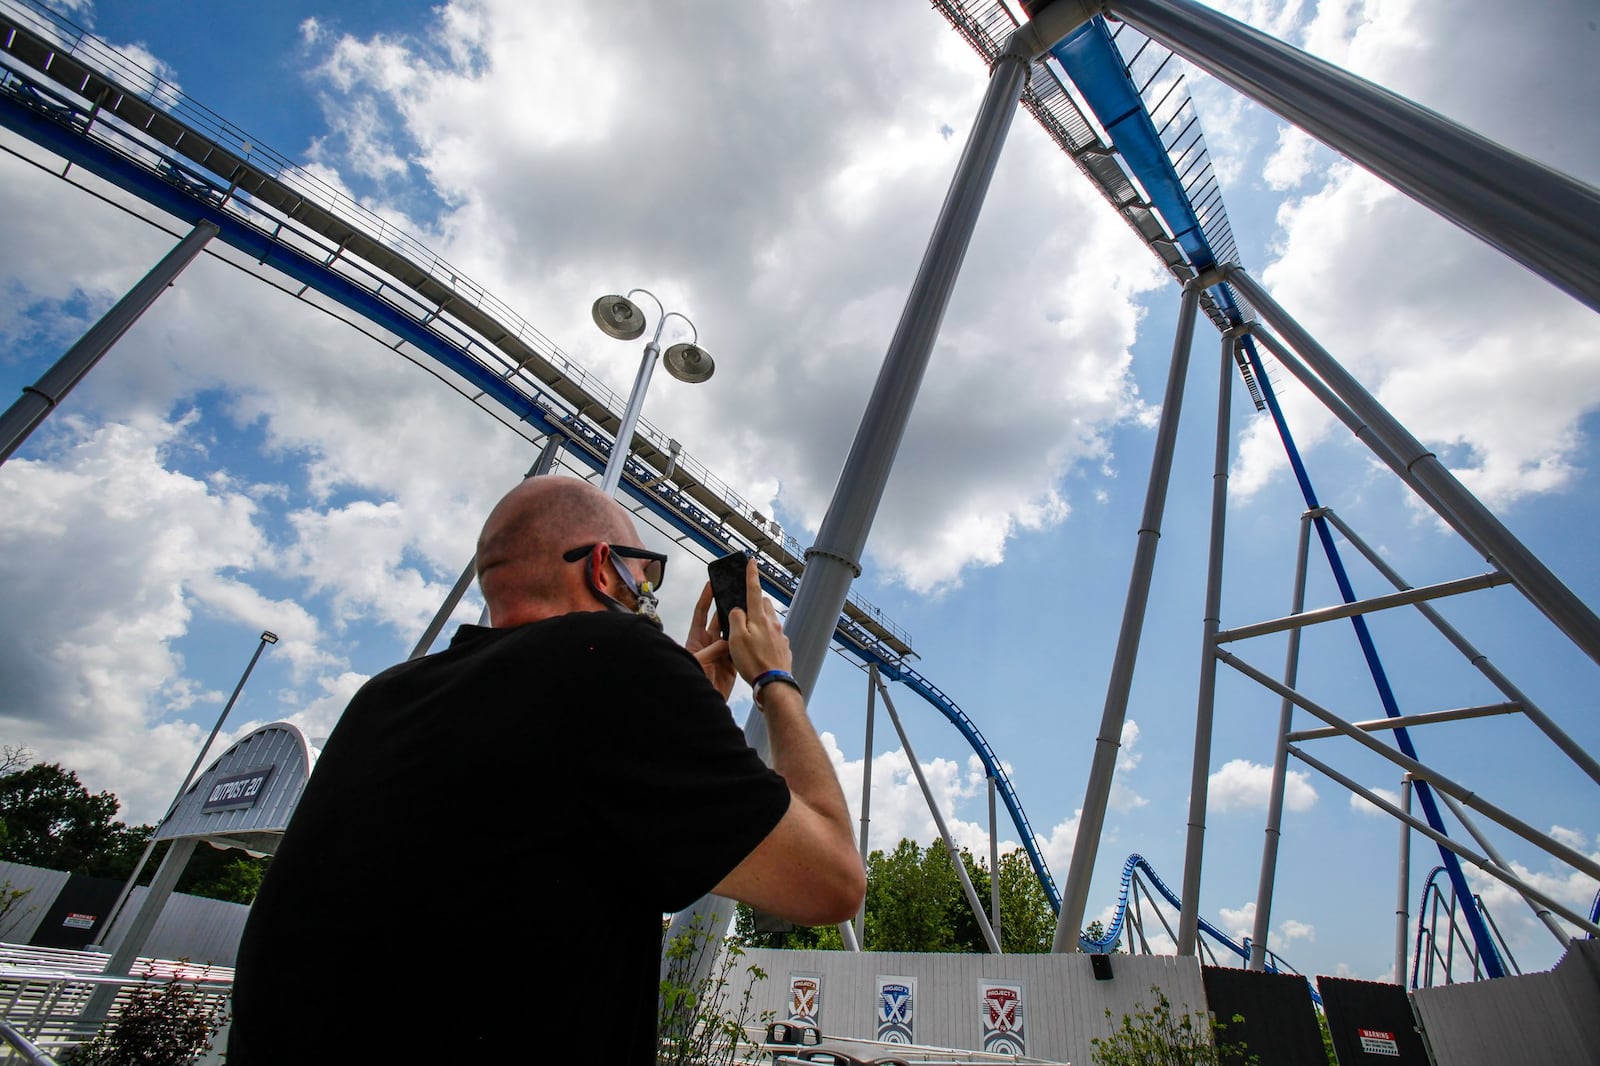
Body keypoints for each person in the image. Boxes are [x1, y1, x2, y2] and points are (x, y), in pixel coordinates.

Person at [228, 475, 865, 1063]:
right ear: (602, 570)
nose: (650, 596)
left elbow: (543, 804)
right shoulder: (617, 662)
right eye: (646, 575)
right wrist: (775, 679)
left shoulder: (385, 697)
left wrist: (690, 702)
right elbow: (831, 883)